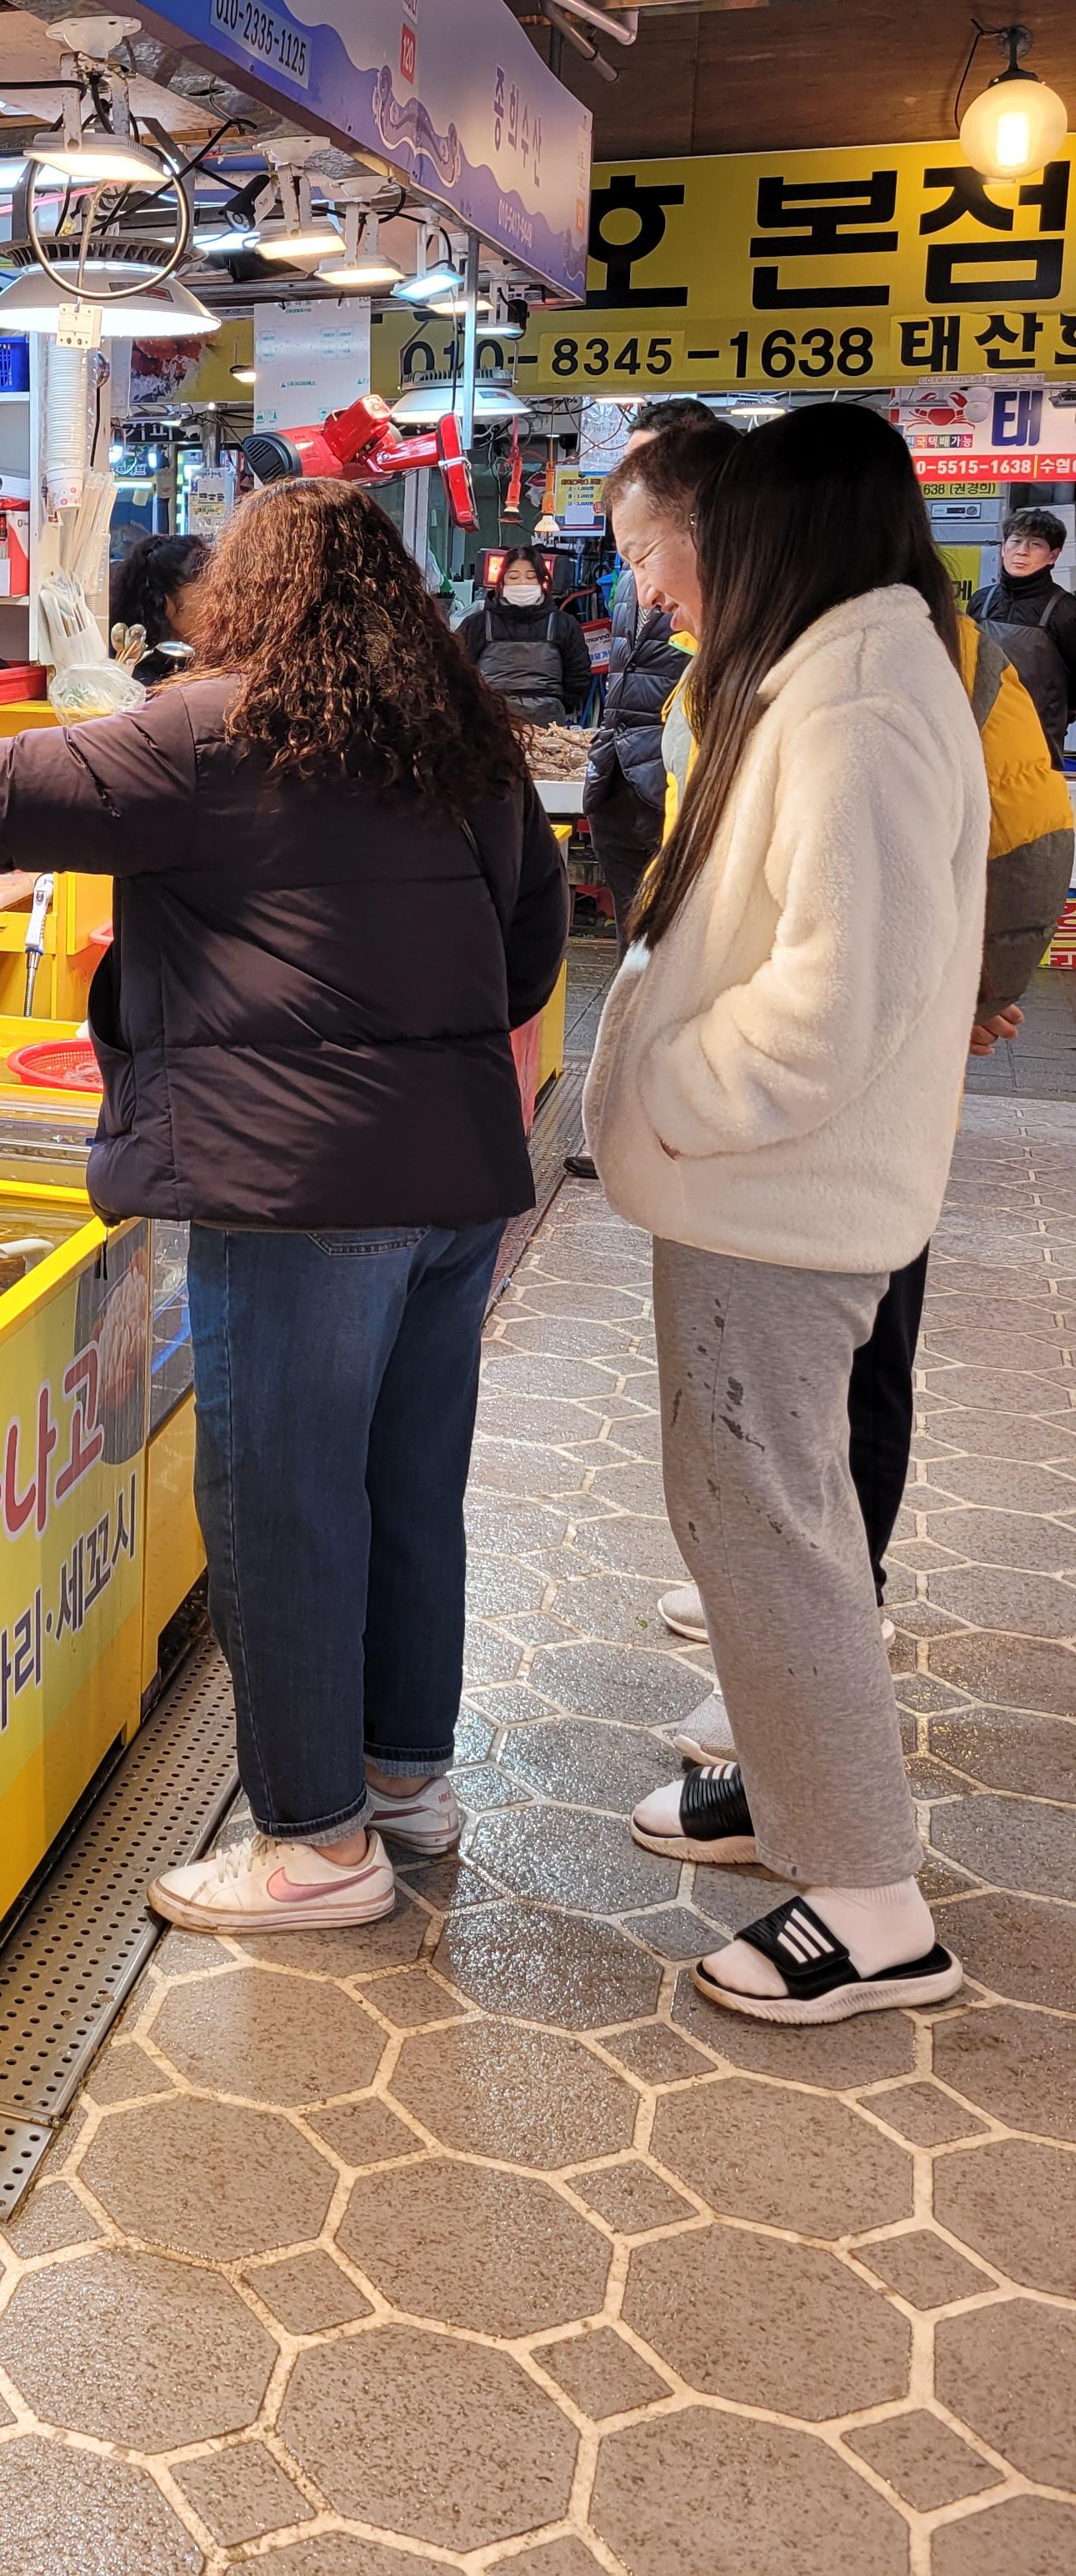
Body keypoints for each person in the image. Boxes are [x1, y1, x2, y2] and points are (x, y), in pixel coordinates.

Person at [0, 480, 568, 1935]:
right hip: (455, 1182)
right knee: (406, 1485)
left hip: (296, 1183)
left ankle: (314, 1847)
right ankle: (403, 1782)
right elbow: (528, 952)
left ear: (242, 595)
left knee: (281, 1499)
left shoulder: (216, 729)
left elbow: (10, 790)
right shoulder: (463, 741)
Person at [590, 405, 989, 2025]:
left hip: (781, 1199)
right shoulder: (844, 670)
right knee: (749, 1521)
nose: (676, 580)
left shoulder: (861, 697)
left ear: (784, 531)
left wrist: (674, 1085)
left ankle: (873, 1907)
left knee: (771, 1536)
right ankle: (780, 1786)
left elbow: (836, 999)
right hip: (770, 1197)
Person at [612, 414, 1074, 1744]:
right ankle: (787, 1667)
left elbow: (990, 868)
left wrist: (677, 1083)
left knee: (809, 1453)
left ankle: (828, 1649)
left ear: (744, 528)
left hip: (803, 1157)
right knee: (764, 1484)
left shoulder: (870, 687)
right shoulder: (770, 663)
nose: (642, 587)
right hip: (773, 1141)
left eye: (647, 552)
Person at [583, 404, 739, 938]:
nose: (649, 591)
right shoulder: (640, 579)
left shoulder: (789, 670)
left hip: (664, 783)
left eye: (650, 466)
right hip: (622, 778)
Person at [973, 507, 1076, 752]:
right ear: (1003, 548)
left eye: (1035, 544)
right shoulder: (980, 601)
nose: (1022, 551)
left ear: (1053, 556)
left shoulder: (1066, 611)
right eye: (1016, 541)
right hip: (978, 729)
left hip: (1037, 737)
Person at [457, 546, 592, 722]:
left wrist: (561, 704)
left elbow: (579, 674)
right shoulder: (477, 624)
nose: (523, 583)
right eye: (514, 577)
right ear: (502, 582)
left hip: (549, 724)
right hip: (490, 723)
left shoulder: (564, 625)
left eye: (531, 577)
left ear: (542, 580)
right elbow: (456, 670)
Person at [109, 530, 213, 687]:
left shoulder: (205, 664)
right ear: (165, 604)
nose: (219, 609)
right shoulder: (137, 682)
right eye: (207, 598)